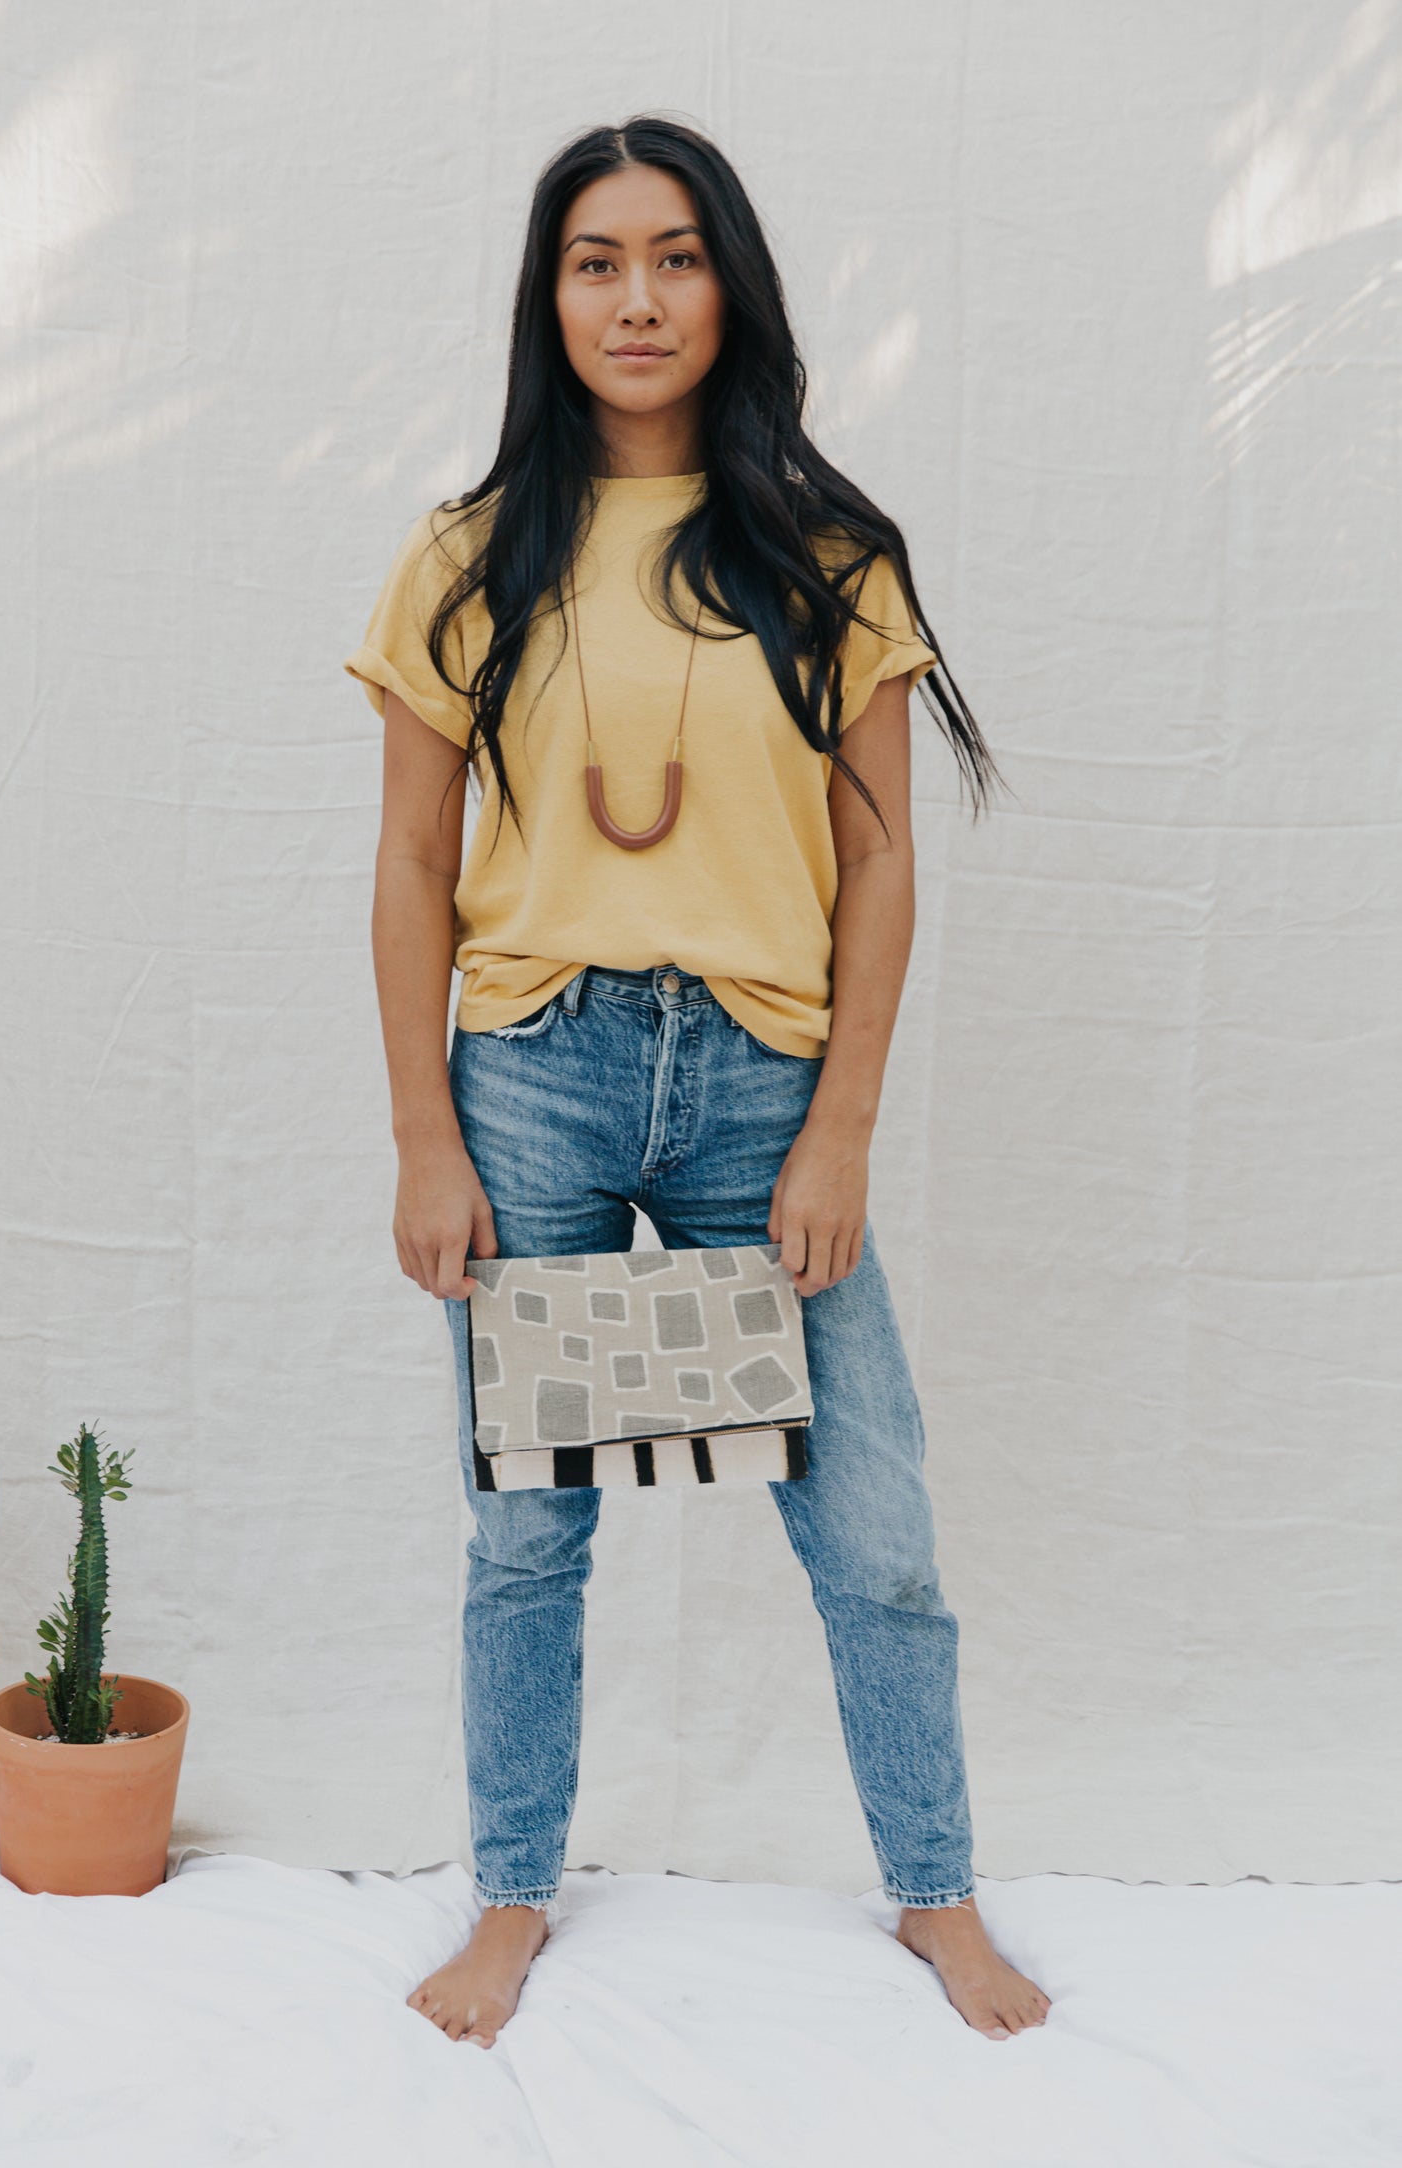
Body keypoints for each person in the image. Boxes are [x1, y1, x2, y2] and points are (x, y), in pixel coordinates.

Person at [343, 114, 1050, 2050]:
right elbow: (413, 859)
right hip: (539, 1077)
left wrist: (841, 1125)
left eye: (672, 255)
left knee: (874, 1526)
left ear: (726, 280)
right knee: (523, 1530)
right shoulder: (470, 554)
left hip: (761, 1081)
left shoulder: (826, 554)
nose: (636, 296)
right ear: (546, 295)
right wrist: (428, 1130)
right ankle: (507, 1902)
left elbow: (883, 854)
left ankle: (938, 1895)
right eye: (595, 260)